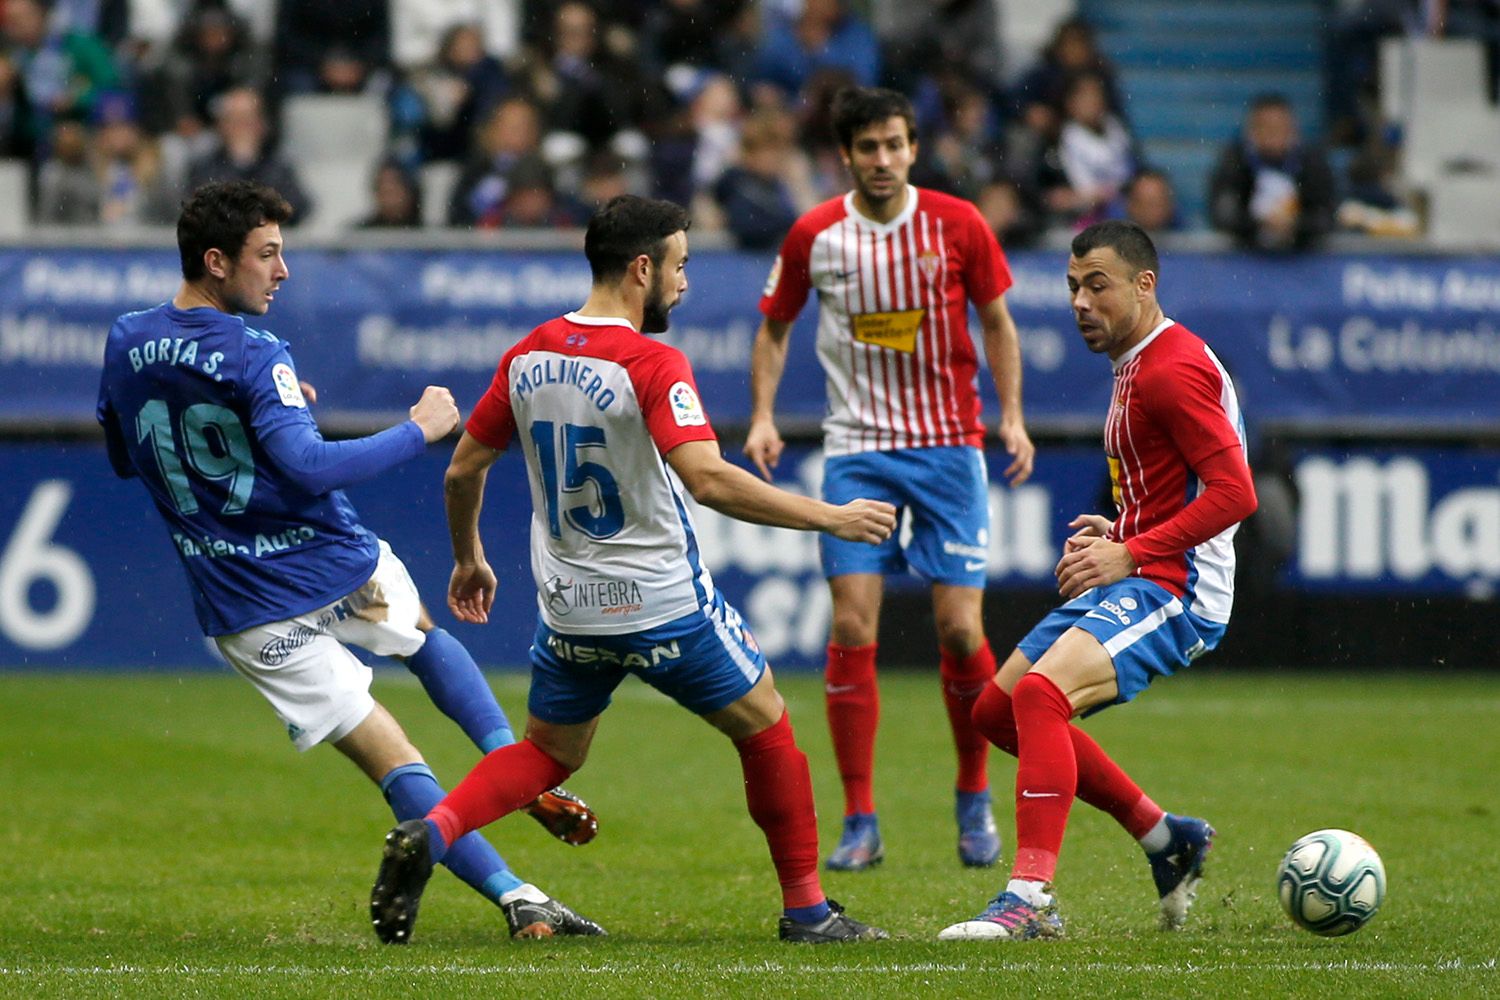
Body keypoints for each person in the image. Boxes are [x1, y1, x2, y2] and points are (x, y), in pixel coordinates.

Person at [367, 195, 897, 946]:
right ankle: (809, 911)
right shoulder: (650, 360)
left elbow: (462, 471)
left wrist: (468, 557)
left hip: (570, 610)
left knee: (549, 754)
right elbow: (709, 480)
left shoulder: (528, 355)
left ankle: (437, 828)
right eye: (679, 266)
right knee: (769, 729)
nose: (684, 283)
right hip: (660, 605)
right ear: (642, 268)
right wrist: (832, 516)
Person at [96, 180, 602, 942]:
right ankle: (514, 768)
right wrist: (419, 428)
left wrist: (237, 429)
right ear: (216, 262)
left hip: (242, 601)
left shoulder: (127, 339)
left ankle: (518, 898)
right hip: (328, 559)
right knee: (426, 642)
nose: (283, 270)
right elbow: (309, 467)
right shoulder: (254, 349)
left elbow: (125, 456)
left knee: (392, 761)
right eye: (267, 254)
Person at [938, 220, 1257, 941]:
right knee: (998, 711)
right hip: (1145, 569)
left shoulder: (1173, 369)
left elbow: (1236, 492)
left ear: (1146, 285)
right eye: (1074, 287)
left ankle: (1029, 898)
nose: (1081, 301)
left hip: (1180, 591)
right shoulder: (1138, 362)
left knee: (1043, 698)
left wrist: (1133, 553)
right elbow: (1175, 488)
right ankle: (1166, 838)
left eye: (1098, 286)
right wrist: (1121, 532)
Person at [743, 85, 1035, 872]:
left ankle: (973, 799)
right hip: (858, 448)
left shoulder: (958, 224)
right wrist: (763, 414)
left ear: (914, 148)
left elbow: (998, 322)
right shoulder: (816, 234)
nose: (882, 160)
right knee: (850, 626)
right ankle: (859, 817)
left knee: (961, 632)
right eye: (868, 147)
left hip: (948, 447)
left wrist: (1011, 415)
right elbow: (774, 327)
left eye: (895, 145)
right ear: (846, 155)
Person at [1208, 93, 1337, 252]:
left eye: (1280, 127)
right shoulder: (1235, 162)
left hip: (1303, 260)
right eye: (1266, 127)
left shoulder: (1312, 163)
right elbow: (1223, 215)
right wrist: (1260, 223)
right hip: (1246, 259)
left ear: (1292, 129)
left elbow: (1327, 215)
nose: (1273, 134)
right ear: (1252, 130)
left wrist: (1295, 224)